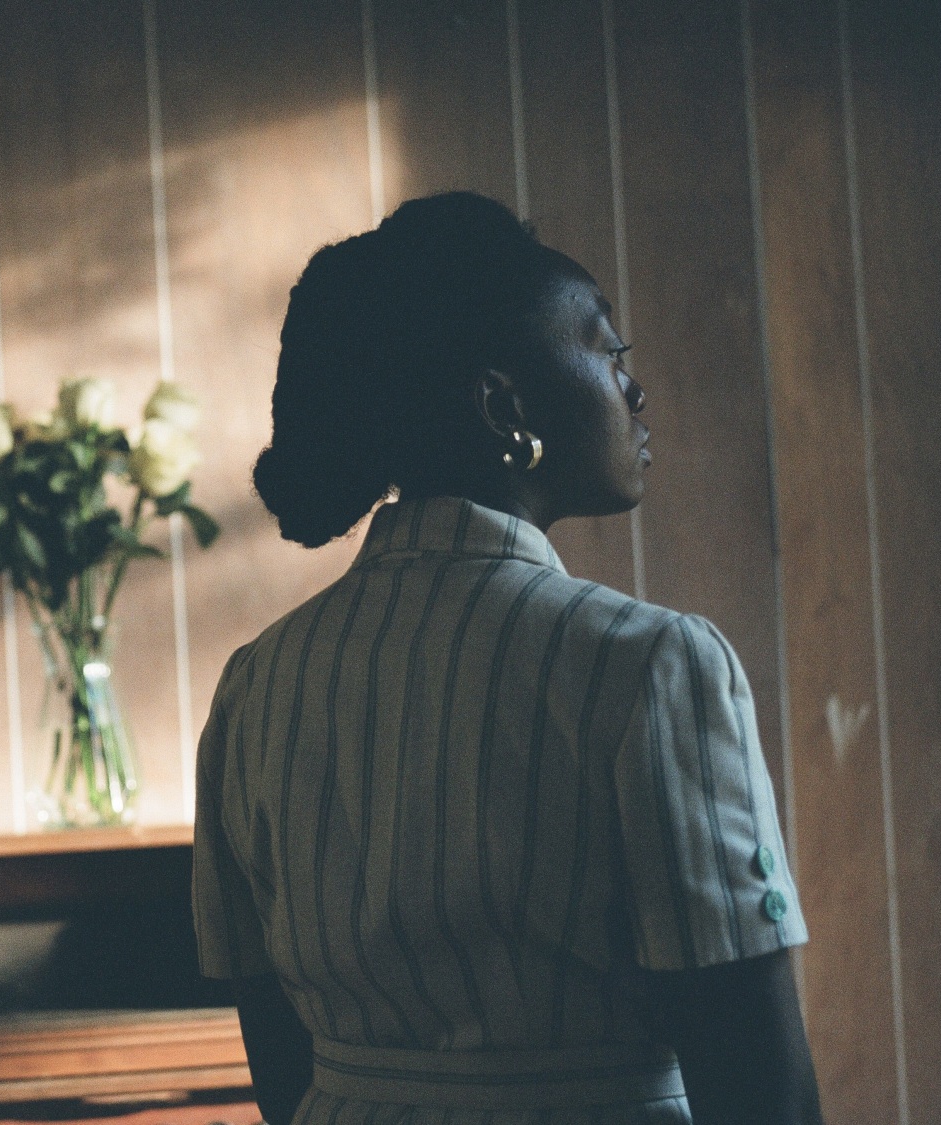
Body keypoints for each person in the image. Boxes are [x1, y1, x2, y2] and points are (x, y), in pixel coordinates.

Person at [192, 192, 824, 1125]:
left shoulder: (257, 686)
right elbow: (758, 1078)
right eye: (611, 353)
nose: (635, 392)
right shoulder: (653, 667)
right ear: (503, 404)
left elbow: (278, 1060)